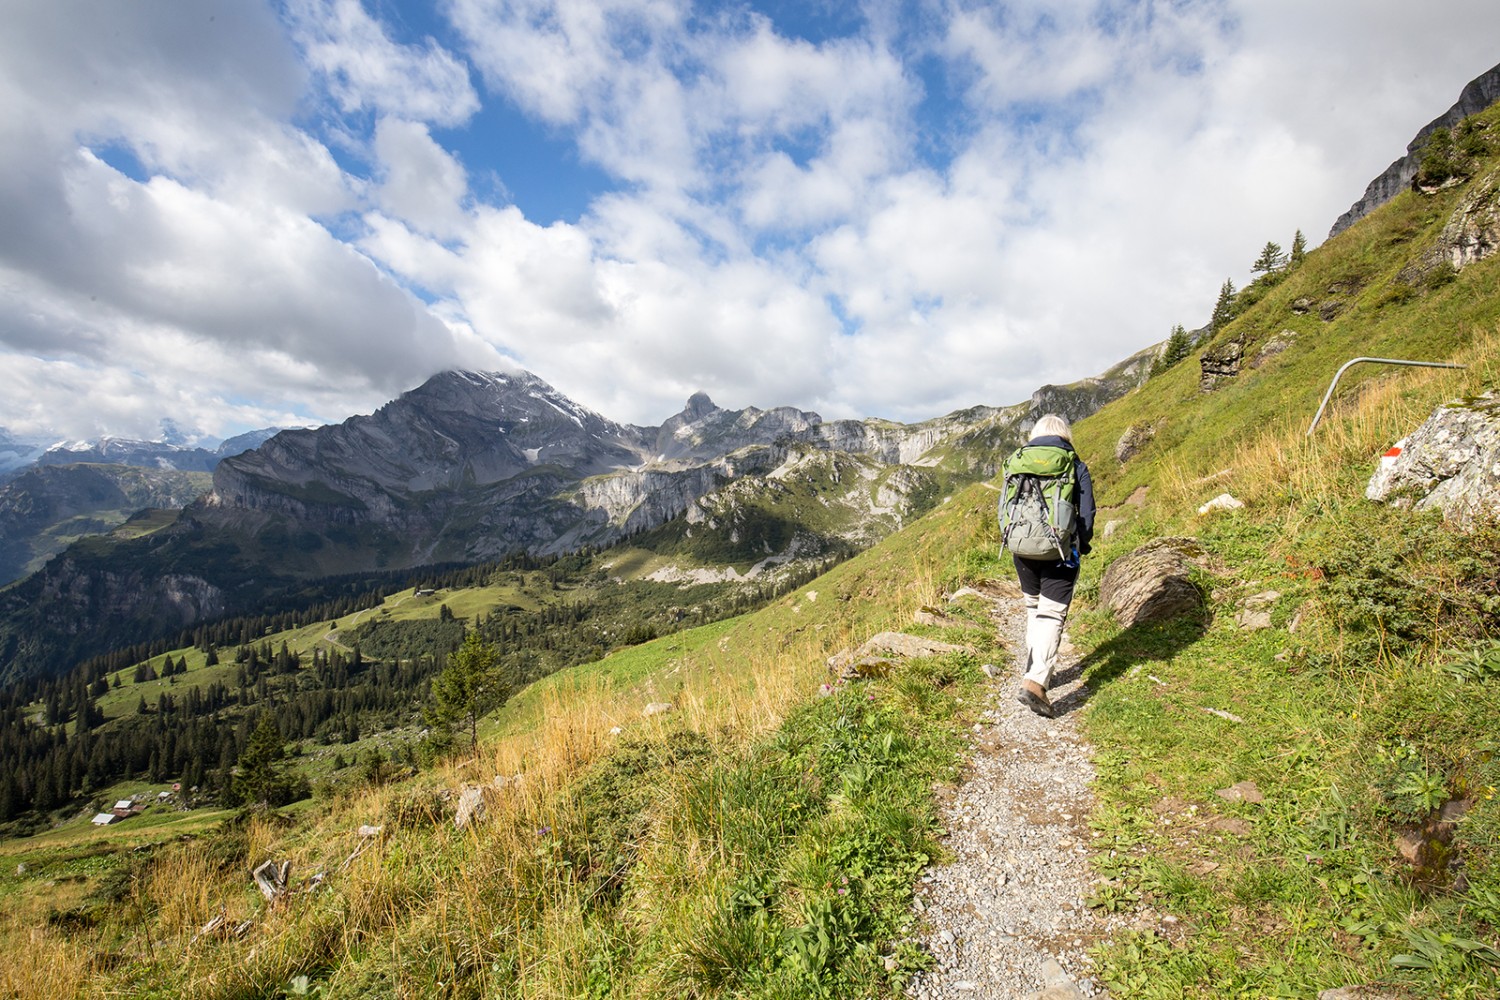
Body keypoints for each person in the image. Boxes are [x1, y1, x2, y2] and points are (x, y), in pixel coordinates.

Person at [1007, 414, 1094, 718]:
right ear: (1064, 435)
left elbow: (1005, 508)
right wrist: (1082, 544)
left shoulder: (1018, 461)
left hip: (1022, 549)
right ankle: (1035, 682)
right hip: (1060, 549)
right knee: (1052, 613)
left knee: (1034, 608)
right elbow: (1086, 513)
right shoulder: (1074, 464)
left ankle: (1036, 666)